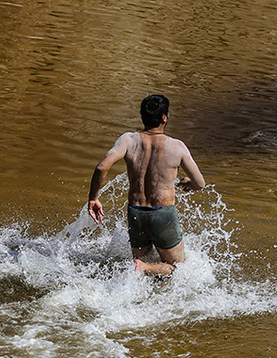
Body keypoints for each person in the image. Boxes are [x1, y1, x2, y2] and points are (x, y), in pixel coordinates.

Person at [88, 95, 206, 276]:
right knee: (178, 269)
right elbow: (200, 184)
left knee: (140, 264)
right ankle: (146, 268)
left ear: (143, 116)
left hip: (135, 212)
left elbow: (101, 167)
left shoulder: (128, 140)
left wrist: (93, 198)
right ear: (164, 118)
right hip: (162, 214)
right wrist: (187, 184)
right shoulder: (177, 146)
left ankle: (141, 268)